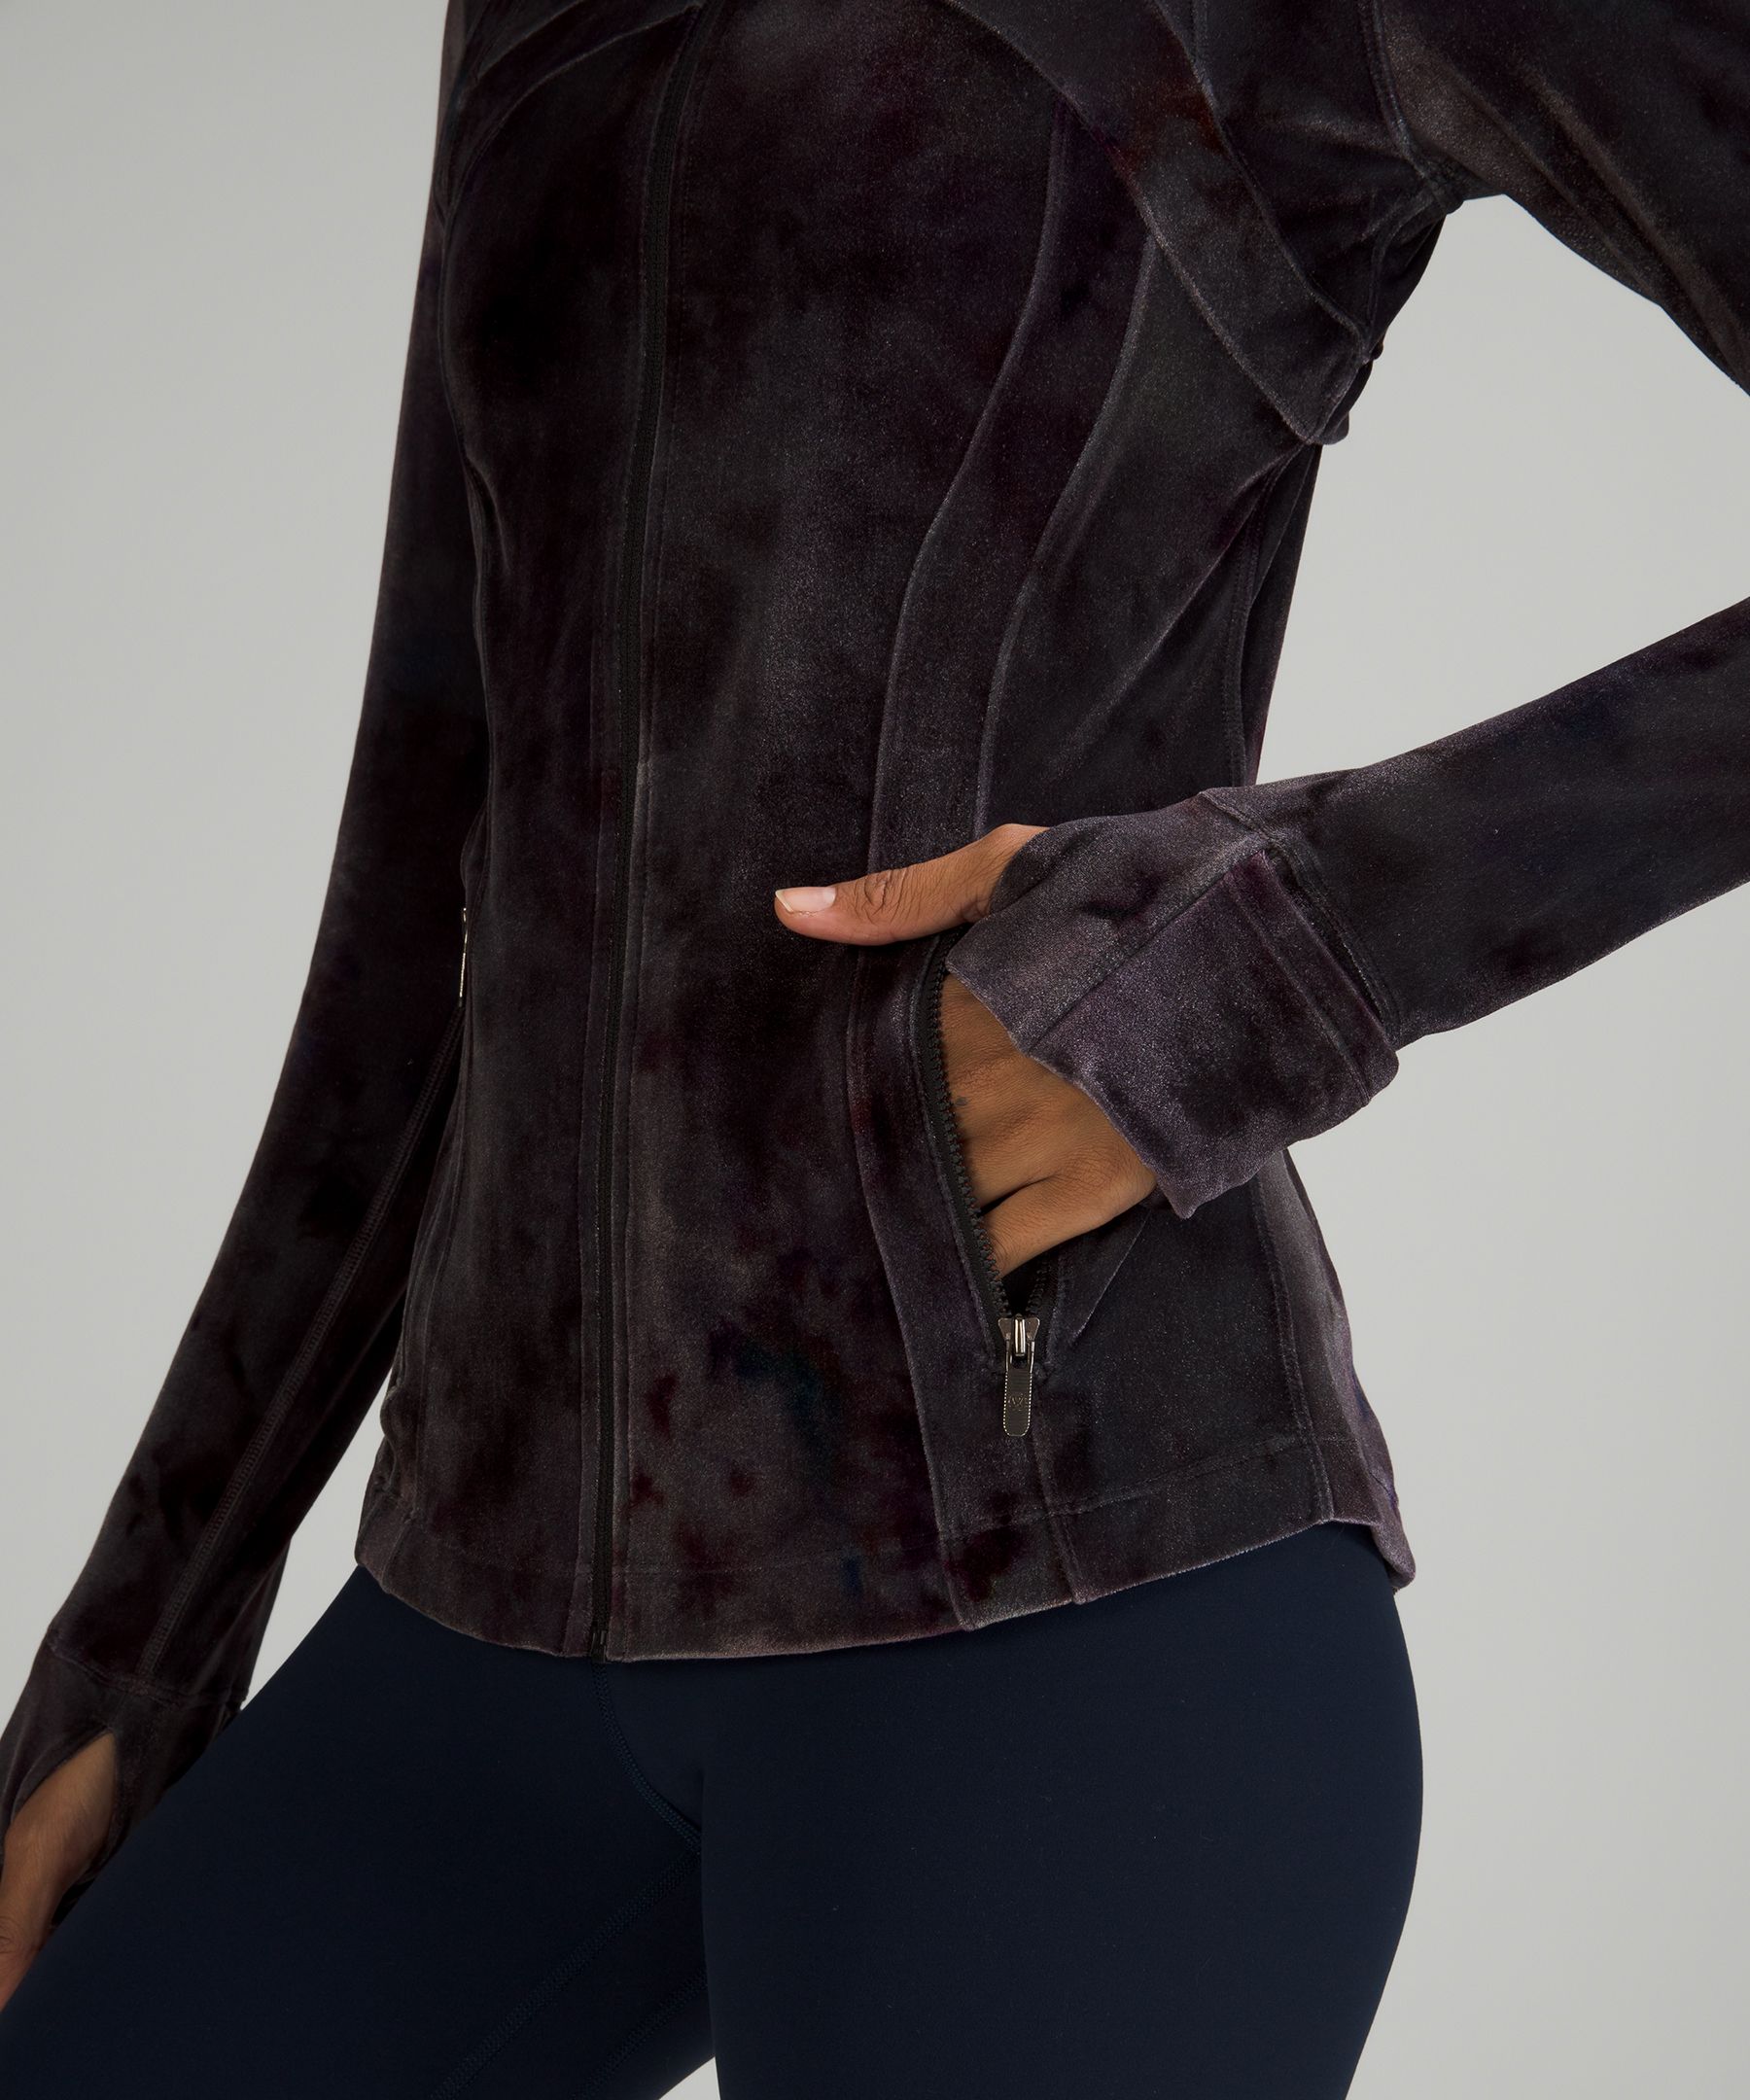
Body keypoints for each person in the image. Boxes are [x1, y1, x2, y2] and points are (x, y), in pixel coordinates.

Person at [0, 0, 1744, 2092]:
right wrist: (148, 1632)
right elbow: (437, 847)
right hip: (479, 1610)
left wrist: (1282, 959)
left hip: (1065, 1607)